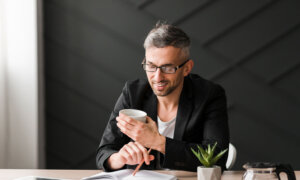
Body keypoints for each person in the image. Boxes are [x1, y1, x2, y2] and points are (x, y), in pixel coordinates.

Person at [96, 22, 229, 172]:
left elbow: (217, 158)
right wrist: (119, 158)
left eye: (167, 68)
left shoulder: (209, 94)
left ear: (187, 68)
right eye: (151, 66)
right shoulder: (132, 93)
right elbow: (104, 153)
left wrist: (158, 142)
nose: (158, 77)